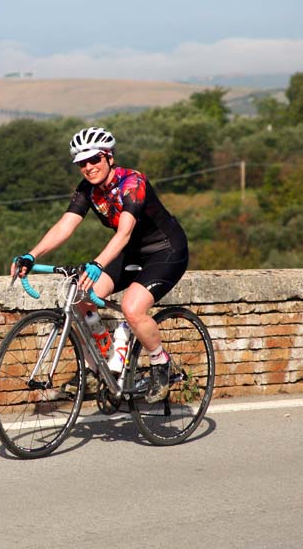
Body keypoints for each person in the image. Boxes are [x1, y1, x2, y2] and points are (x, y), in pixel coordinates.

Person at [11, 126, 189, 403]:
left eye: (94, 159)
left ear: (108, 157)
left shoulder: (132, 182)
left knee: (132, 307)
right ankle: (98, 369)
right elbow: (65, 226)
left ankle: (160, 362)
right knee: (81, 297)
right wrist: (32, 255)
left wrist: (97, 263)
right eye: (82, 163)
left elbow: (125, 232)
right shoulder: (88, 190)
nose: (89, 167)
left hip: (165, 251)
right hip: (130, 252)